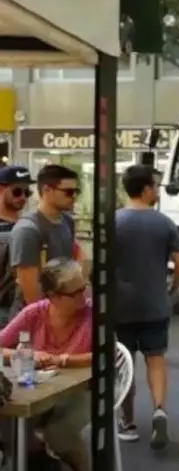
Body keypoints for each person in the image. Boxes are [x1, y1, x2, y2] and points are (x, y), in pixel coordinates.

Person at [114, 164, 179, 449]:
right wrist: (171, 289)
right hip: (155, 304)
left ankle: (127, 422)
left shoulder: (113, 221)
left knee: (125, 364)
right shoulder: (164, 223)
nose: (158, 191)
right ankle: (159, 410)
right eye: (156, 186)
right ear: (146, 189)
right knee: (156, 359)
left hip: (120, 307)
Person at [0, 259, 92, 471]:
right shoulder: (34, 313)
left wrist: (62, 359)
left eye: (84, 288)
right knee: (8, 424)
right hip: (43, 390)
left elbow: (107, 353)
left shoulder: (92, 313)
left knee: (59, 433)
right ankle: (42, 461)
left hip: (84, 390)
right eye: (76, 293)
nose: (84, 296)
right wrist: (26, 354)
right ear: (53, 296)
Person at [9, 164, 81, 316]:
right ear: (47, 190)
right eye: (69, 192)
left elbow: (75, 262)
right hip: (35, 317)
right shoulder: (28, 230)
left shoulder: (67, 221)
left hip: (61, 311)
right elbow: (31, 293)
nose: (74, 196)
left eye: (77, 191)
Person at [0, 166, 34, 326]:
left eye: (27, 193)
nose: (23, 198)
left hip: (23, 309)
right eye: (17, 192)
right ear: (2, 189)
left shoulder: (29, 226)